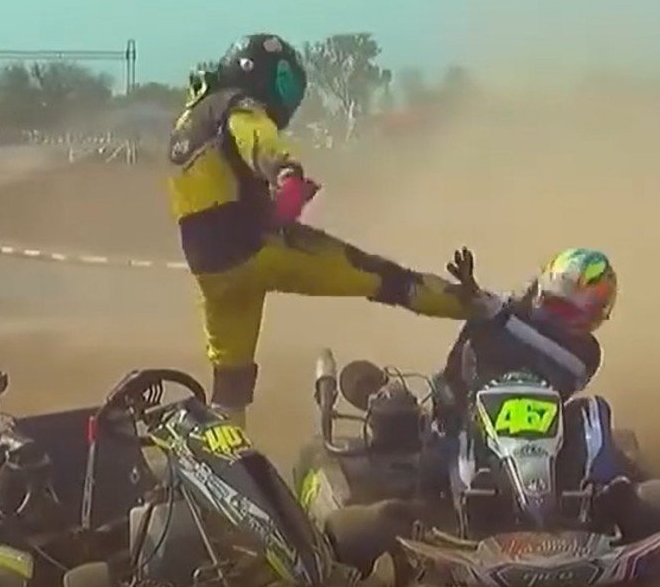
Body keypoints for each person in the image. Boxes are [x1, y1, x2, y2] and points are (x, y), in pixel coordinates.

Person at [166, 33, 476, 429]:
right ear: (260, 75)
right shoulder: (238, 107)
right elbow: (259, 140)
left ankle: (223, 471)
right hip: (256, 250)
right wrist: (286, 174)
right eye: (284, 84)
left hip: (212, 272)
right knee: (385, 278)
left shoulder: (190, 117)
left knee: (230, 381)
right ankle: (485, 306)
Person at [431, 247, 626, 490]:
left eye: (582, 316)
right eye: (562, 309)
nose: (567, 322)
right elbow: (456, 368)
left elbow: (563, 361)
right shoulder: (494, 312)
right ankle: (470, 492)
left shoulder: (586, 353)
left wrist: (500, 316)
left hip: (540, 437)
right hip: (471, 424)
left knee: (595, 409)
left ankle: (604, 491)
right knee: (448, 405)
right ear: (541, 294)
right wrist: (480, 310)